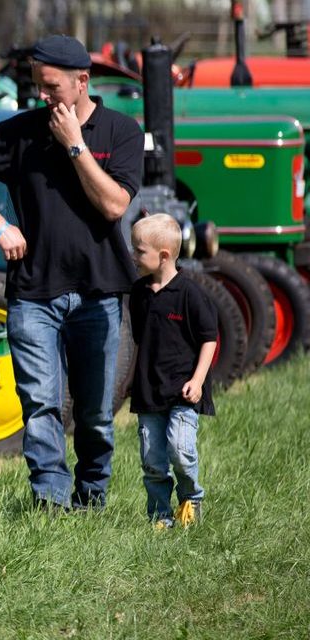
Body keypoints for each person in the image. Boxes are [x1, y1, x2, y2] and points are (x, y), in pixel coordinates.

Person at [0, 34, 145, 511]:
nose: (43, 96)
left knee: (96, 413)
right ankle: (51, 502)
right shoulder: (20, 132)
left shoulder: (121, 132)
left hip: (98, 293)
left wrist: (75, 145)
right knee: (40, 405)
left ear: (82, 81)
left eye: (51, 86)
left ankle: (92, 495)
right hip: (33, 293)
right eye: (37, 85)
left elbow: (115, 205)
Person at [128, 214, 216, 529]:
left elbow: (209, 338)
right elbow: (141, 340)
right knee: (152, 460)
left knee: (180, 449)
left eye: (139, 251)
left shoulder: (190, 294)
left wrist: (198, 380)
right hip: (149, 389)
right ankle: (160, 517)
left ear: (163, 255)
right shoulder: (138, 293)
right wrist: (132, 379)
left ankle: (190, 499)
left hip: (183, 389)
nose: (133, 256)